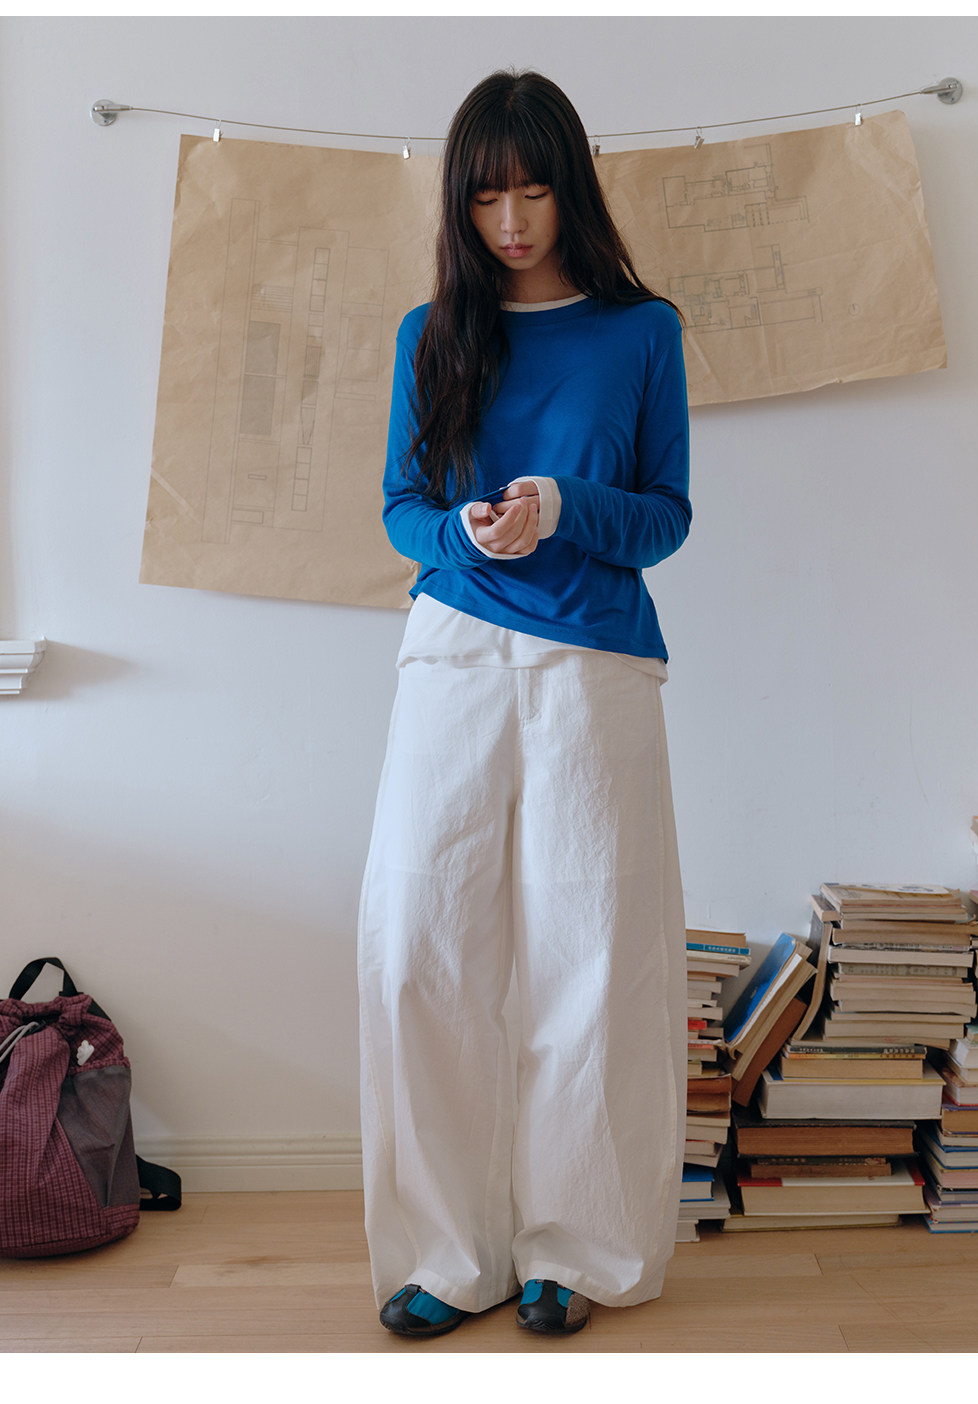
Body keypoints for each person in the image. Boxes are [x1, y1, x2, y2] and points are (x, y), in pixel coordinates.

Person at [357, 68, 691, 1340]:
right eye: (487, 196)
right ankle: (452, 1254)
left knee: (590, 957)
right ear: (461, 202)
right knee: (420, 948)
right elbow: (400, 506)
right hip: (451, 649)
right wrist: (461, 533)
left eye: (534, 191)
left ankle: (577, 1249)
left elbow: (663, 518)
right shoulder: (431, 333)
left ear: (571, 191)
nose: (510, 221)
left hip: (596, 662)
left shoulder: (640, 331)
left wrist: (561, 507)